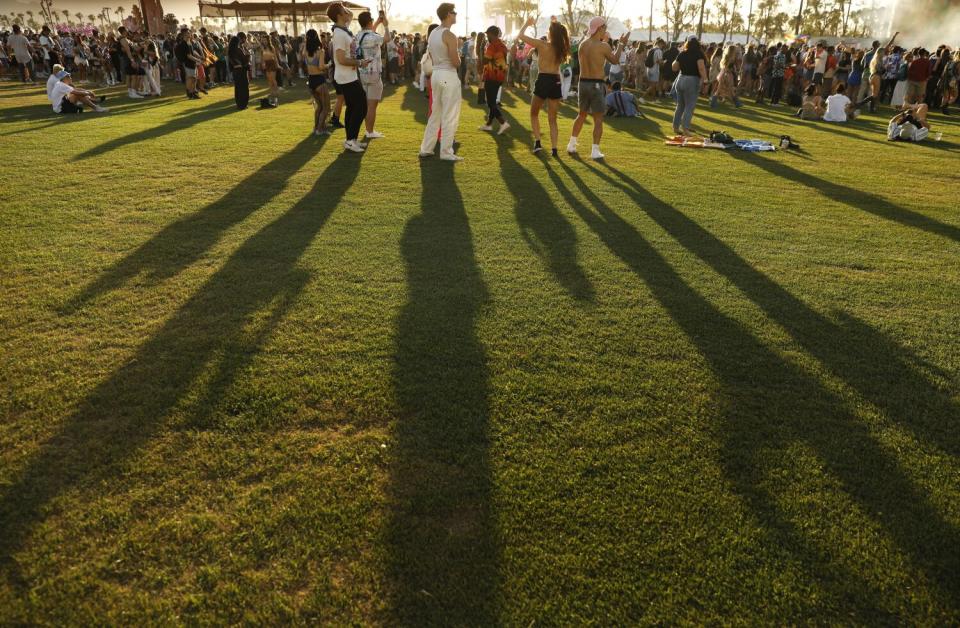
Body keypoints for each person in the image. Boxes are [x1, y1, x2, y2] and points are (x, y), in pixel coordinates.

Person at [566, 17, 627, 159]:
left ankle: (571, 143)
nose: (605, 30)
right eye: (604, 28)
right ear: (599, 28)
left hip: (582, 83)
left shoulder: (582, 44)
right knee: (598, 118)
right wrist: (621, 45)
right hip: (596, 84)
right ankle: (595, 151)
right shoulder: (603, 46)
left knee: (581, 115)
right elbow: (615, 60)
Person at [519, 17, 571, 155]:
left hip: (543, 79)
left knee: (534, 113)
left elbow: (521, 36)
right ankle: (554, 149)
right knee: (552, 119)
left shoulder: (542, 45)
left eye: (549, 30)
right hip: (555, 80)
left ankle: (537, 143)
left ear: (551, 34)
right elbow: (564, 38)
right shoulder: (562, 48)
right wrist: (555, 25)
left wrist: (527, 24)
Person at [419, 3, 463, 161]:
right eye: (454, 12)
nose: (456, 14)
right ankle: (446, 151)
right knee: (449, 114)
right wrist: (459, 57)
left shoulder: (433, 33)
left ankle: (426, 148)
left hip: (436, 74)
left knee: (435, 113)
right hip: (448, 75)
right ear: (448, 15)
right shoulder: (449, 35)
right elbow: (456, 62)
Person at [328, 1, 373, 153]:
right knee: (361, 106)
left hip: (349, 75)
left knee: (354, 107)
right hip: (345, 77)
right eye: (344, 11)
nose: (348, 13)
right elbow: (340, 59)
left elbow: (351, 14)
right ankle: (350, 140)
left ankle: (350, 140)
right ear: (340, 15)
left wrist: (341, 6)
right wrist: (360, 62)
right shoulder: (340, 33)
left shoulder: (343, 29)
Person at [355, 10, 388, 140]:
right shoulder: (372, 36)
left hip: (362, 72)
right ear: (369, 21)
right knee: (372, 105)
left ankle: (368, 130)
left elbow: (369, 34)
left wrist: (377, 23)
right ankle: (370, 131)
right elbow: (387, 38)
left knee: (366, 104)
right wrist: (385, 25)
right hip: (374, 73)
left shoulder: (358, 35)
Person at [671, 36, 708, 137]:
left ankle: (675, 127)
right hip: (692, 80)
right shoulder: (699, 54)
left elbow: (674, 68)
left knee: (680, 105)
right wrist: (705, 80)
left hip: (680, 79)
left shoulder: (682, 53)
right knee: (689, 106)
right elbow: (701, 68)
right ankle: (686, 129)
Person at [478, 25, 509, 134]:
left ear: (492, 34)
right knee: (492, 100)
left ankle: (503, 122)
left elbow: (484, 61)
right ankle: (489, 124)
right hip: (500, 76)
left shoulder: (492, 46)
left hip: (492, 76)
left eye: (488, 34)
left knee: (490, 102)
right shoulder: (502, 45)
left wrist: (481, 49)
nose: (487, 36)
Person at [302, 29, 329, 134]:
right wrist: (329, 64)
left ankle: (316, 128)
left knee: (319, 107)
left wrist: (306, 41)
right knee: (326, 108)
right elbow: (321, 67)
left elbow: (304, 48)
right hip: (319, 80)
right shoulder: (320, 51)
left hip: (311, 81)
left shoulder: (305, 52)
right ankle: (320, 129)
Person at [228, 33, 249, 109]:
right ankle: (243, 104)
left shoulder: (230, 51)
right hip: (241, 70)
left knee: (237, 88)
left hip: (235, 71)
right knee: (243, 88)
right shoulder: (238, 50)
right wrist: (247, 55)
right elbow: (244, 61)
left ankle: (238, 103)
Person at [262, 35, 279, 106]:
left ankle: (276, 95)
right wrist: (263, 63)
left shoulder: (271, 47)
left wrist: (277, 64)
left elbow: (275, 57)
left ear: (268, 40)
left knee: (273, 80)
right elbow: (263, 56)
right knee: (269, 80)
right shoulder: (263, 48)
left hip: (271, 63)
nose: (264, 41)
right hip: (266, 64)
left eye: (265, 40)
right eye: (263, 40)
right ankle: (272, 94)